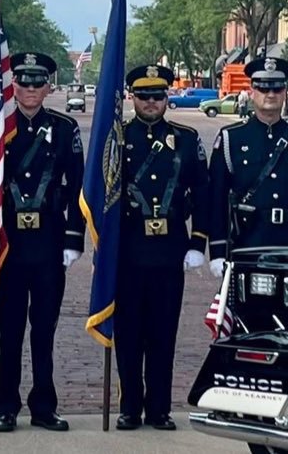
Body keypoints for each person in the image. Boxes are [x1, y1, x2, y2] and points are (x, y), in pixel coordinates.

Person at [0, 52, 86, 433]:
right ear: (13, 85)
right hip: (8, 243)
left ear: (49, 86)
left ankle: (44, 406)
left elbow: (78, 186)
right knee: (10, 333)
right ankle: (6, 406)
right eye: (23, 82)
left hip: (48, 242)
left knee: (44, 332)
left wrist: (73, 238)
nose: (30, 89)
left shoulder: (64, 128)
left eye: (37, 82)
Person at [112, 64, 209, 431]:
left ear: (168, 97)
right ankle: (129, 407)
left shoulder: (185, 138)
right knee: (129, 334)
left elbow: (201, 191)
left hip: (170, 248)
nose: (151, 102)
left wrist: (198, 241)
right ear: (132, 97)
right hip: (129, 249)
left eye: (158, 95)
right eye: (143, 95)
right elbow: (102, 197)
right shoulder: (117, 137)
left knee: (163, 333)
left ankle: (159, 409)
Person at [205, 57, 288, 280]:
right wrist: (217, 250)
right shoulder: (231, 137)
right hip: (247, 243)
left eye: (277, 88)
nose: (270, 94)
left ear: (285, 92)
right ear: (251, 91)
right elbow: (217, 199)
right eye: (262, 88)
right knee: (245, 313)